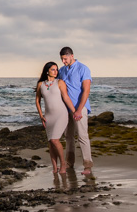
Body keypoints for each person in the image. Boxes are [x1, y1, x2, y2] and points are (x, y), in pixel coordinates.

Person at [35, 61, 75, 175]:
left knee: (54, 140)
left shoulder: (60, 82)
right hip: (48, 116)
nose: (56, 71)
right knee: (50, 143)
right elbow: (37, 100)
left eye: (57, 69)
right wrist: (41, 116)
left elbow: (66, 98)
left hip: (61, 115)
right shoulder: (41, 84)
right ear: (47, 71)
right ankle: (54, 167)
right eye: (53, 69)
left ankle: (63, 164)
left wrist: (74, 111)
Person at [58, 46, 93, 175]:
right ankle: (69, 163)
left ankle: (87, 166)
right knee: (68, 137)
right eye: (62, 59)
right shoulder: (62, 70)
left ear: (71, 56)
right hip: (66, 109)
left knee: (83, 136)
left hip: (80, 108)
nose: (64, 61)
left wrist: (78, 110)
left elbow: (86, 90)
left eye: (65, 58)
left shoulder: (83, 68)